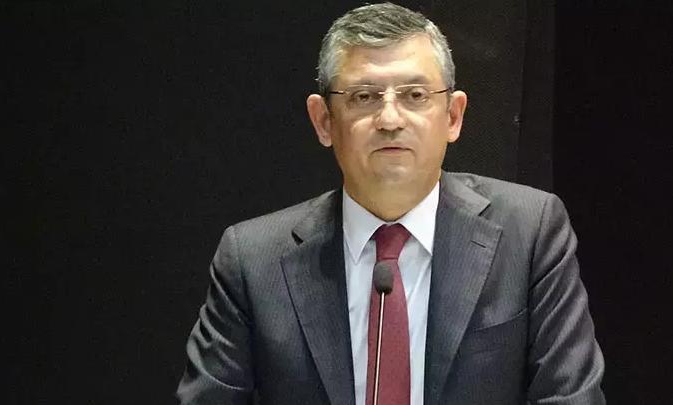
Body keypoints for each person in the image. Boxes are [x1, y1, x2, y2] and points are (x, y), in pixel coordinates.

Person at [176, 3, 605, 404]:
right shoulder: (253, 260)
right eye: (364, 97)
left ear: (453, 116)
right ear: (323, 121)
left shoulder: (529, 234)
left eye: (415, 95)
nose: (390, 119)